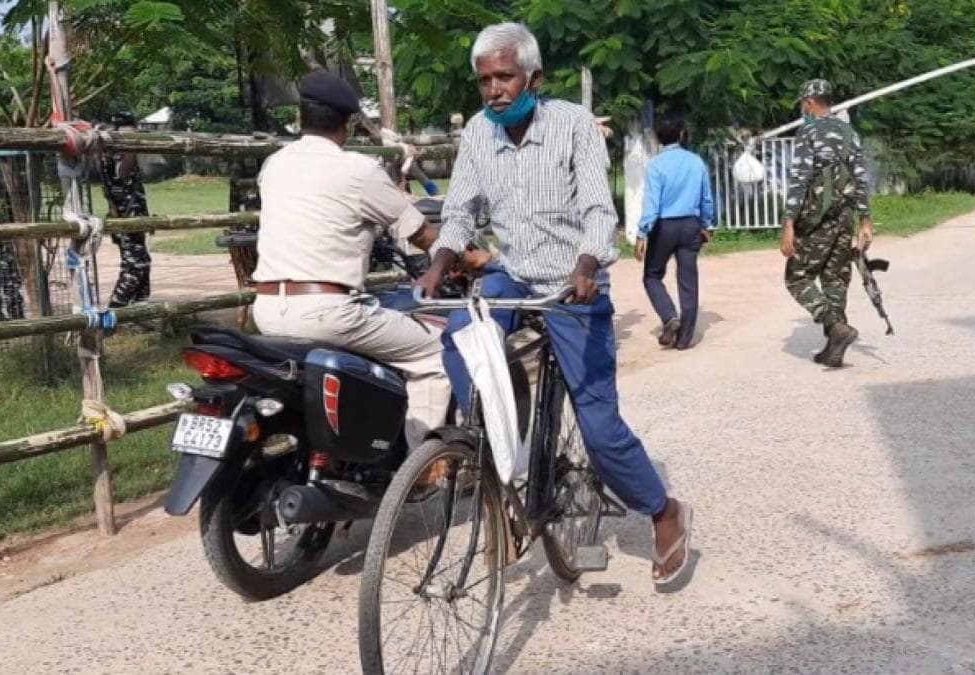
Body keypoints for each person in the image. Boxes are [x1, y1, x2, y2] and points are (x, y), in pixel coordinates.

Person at [417, 22, 694, 586]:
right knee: (460, 333)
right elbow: (461, 210)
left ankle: (664, 512)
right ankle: (497, 441)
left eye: (504, 77)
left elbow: (598, 210)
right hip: (514, 276)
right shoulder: (477, 133)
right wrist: (440, 262)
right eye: (484, 80)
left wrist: (588, 265)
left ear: (533, 79)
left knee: (600, 430)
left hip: (572, 286)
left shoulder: (571, 127)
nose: (494, 90)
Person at [250, 70, 451, 451]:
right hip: (328, 312)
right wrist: (465, 255)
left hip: (267, 310)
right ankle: (423, 463)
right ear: (347, 124)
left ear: (301, 118)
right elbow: (423, 235)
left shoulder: (273, 165)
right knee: (434, 352)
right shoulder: (359, 170)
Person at [781, 79, 874, 368]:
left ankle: (835, 326)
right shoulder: (850, 133)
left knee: (797, 276)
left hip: (817, 218)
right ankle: (835, 347)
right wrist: (865, 220)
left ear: (809, 103)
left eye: (802, 104)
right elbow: (860, 177)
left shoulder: (807, 130)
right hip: (845, 216)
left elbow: (799, 180)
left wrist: (788, 224)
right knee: (835, 278)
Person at [633, 110, 714, 350]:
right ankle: (685, 338)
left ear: (658, 138)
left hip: (664, 227)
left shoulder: (656, 165)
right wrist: (707, 225)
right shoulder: (696, 161)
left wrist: (642, 233)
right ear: (681, 134)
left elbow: (652, 205)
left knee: (652, 276)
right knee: (688, 279)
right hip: (690, 225)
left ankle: (669, 317)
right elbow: (706, 198)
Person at [99, 111, 152, 308]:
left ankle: (139, 309)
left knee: (142, 262)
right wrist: (132, 147)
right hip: (126, 213)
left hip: (129, 211)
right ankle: (116, 310)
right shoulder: (116, 148)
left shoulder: (112, 146)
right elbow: (122, 174)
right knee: (135, 265)